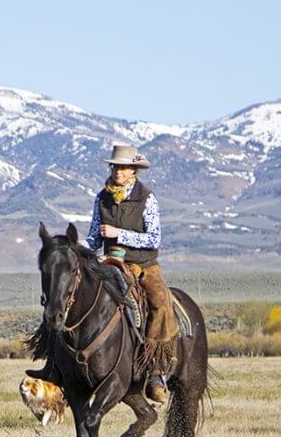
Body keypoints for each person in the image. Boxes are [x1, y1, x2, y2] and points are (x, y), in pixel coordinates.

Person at [28, 144, 178, 403]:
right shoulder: (102, 197)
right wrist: (74, 251)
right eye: (115, 166)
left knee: (160, 303)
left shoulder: (147, 198)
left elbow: (154, 238)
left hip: (143, 266)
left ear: (134, 170)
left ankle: (155, 371)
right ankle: (55, 363)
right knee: (65, 297)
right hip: (109, 262)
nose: (118, 171)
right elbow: (95, 237)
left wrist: (120, 235)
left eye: (123, 167)